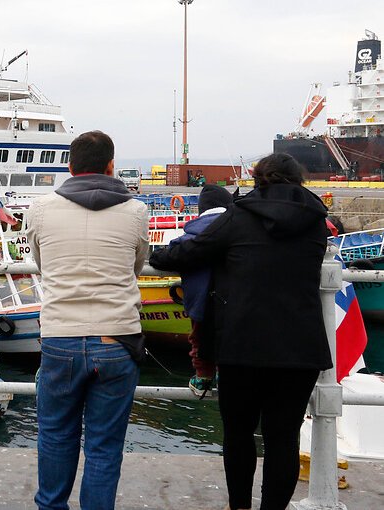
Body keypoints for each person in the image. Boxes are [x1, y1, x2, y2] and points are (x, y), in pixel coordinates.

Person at [150, 153, 332, 510]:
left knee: (238, 435)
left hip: (241, 345)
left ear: (257, 177)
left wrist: (157, 255)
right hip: (300, 347)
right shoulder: (315, 221)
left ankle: (240, 507)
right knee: (283, 439)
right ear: (299, 179)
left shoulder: (238, 216)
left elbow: (188, 253)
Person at [27, 130, 148, 510]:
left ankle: (51, 505)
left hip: (61, 337)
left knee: (55, 435)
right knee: (104, 446)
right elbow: (137, 266)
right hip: (116, 338)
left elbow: (42, 264)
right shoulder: (136, 210)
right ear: (112, 166)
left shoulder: (41, 208)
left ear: (69, 167)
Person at [169, 184, 234, 396]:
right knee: (230, 338)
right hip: (232, 300)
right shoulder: (237, 231)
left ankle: (203, 378)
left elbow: (173, 252)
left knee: (198, 338)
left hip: (199, 301)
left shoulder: (190, 236)